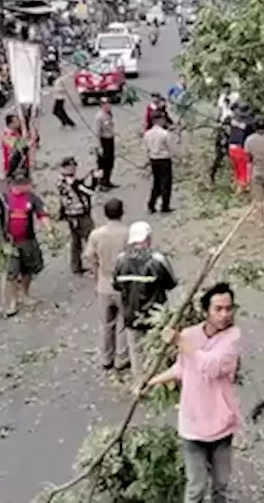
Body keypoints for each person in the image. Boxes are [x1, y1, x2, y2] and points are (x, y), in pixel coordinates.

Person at [144, 282, 242, 503]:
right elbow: (182, 367)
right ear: (205, 311)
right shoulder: (190, 335)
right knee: (196, 486)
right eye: (218, 309)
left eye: (228, 308)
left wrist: (178, 341)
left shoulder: (232, 338)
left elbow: (212, 366)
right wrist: (152, 381)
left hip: (220, 425)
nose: (224, 314)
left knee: (220, 485)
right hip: (193, 425)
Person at [112, 221, 177, 376]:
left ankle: (140, 382)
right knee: (157, 349)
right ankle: (157, 379)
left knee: (136, 351)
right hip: (155, 315)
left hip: (130, 314)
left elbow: (116, 285)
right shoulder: (157, 260)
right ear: (147, 238)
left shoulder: (121, 260)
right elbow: (171, 283)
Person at [84, 198, 130, 371]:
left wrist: (96, 278)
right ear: (122, 212)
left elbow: (90, 258)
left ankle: (106, 357)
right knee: (124, 321)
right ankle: (121, 356)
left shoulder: (96, 235)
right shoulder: (128, 234)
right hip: (123, 283)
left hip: (104, 282)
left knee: (106, 323)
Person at [0, 173, 50, 316]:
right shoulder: (4, 199)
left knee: (28, 269)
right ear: (17, 185)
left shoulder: (31, 198)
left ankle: (25, 293)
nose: (30, 186)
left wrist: (49, 229)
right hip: (10, 242)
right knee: (12, 272)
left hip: (27, 240)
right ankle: (13, 301)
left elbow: (41, 213)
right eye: (27, 183)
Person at [58, 156, 98, 274]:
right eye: (70, 167)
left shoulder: (61, 181)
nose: (73, 169)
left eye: (74, 166)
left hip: (70, 215)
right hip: (80, 215)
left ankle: (76, 266)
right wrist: (94, 179)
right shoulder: (71, 182)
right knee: (92, 239)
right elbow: (89, 191)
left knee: (76, 242)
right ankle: (96, 265)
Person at [144, 113, 177, 214]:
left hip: (154, 160)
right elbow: (171, 148)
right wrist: (174, 156)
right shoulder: (164, 134)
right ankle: (165, 206)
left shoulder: (147, 134)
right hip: (164, 159)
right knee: (166, 184)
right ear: (158, 120)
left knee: (156, 183)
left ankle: (151, 205)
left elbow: (146, 148)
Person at [225, 102, 253, 193]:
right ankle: (241, 190)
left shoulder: (232, 120)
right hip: (240, 148)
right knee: (243, 169)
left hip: (231, 147)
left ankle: (237, 186)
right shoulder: (248, 124)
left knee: (237, 169)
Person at [95, 98, 117, 190]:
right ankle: (101, 183)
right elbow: (97, 132)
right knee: (104, 163)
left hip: (110, 139)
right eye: (105, 104)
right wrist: (99, 146)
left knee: (110, 162)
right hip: (104, 141)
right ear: (102, 105)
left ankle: (107, 181)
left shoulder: (108, 114)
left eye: (109, 104)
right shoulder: (99, 117)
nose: (108, 106)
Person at [2, 114, 29, 178]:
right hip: (13, 166)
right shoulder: (6, 135)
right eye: (16, 121)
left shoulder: (15, 131)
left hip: (20, 162)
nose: (18, 123)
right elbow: (19, 145)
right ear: (10, 124)